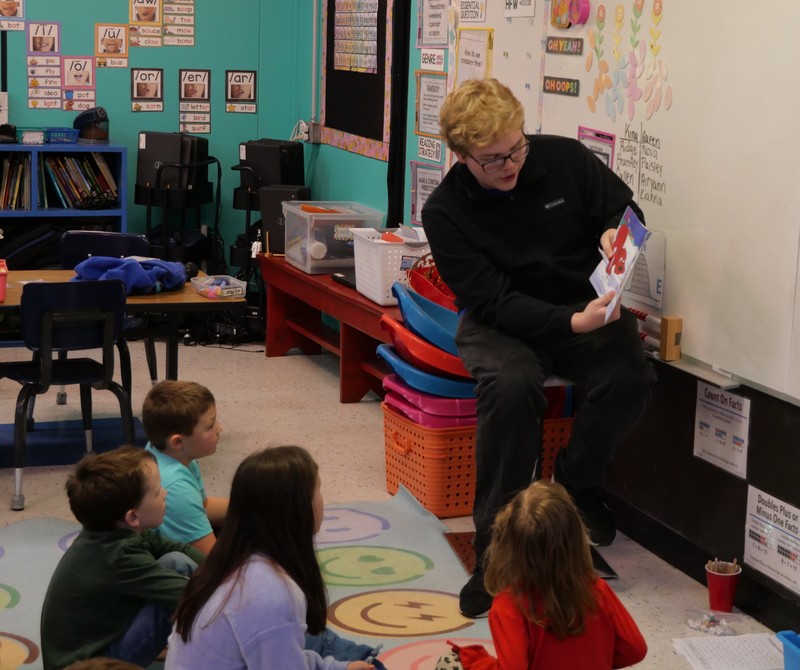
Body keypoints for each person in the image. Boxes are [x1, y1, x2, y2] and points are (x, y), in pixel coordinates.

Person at [421, 78, 655, 618]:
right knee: (509, 387)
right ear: (461, 157)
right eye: (492, 159)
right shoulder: (444, 212)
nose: (509, 165)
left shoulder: (566, 159)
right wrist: (570, 322)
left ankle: (575, 487)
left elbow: (625, 211)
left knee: (631, 375)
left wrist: (611, 236)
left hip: (584, 304)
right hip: (501, 321)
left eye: (516, 148)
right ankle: (496, 552)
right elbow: (493, 301)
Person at [166, 446, 383, 669]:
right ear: (298, 507)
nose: (321, 500)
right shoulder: (270, 591)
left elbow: (281, 656)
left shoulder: (234, 560)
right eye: (318, 490)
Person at [440, 481, 647, 669]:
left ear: (505, 548)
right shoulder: (597, 588)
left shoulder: (509, 604)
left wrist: (478, 662)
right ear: (576, 541)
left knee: (450, 663)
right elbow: (635, 649)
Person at [40, 447, 205, 670]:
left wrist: (223, 569)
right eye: (157, 492)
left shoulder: (112, 530)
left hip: (91, 645)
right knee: (187, 599)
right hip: (91, 664)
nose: (165, 493)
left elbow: (178, 548)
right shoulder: (119, 556)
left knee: (176, 561)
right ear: (133, 516)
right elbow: (189, 596)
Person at [142, 380, 228, 556]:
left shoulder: (165, 452)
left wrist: (258, 508)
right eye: (210, 426)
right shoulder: (176, 487)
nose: (219, 428)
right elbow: (212, 560)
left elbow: (203, 507)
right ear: (178, 442)